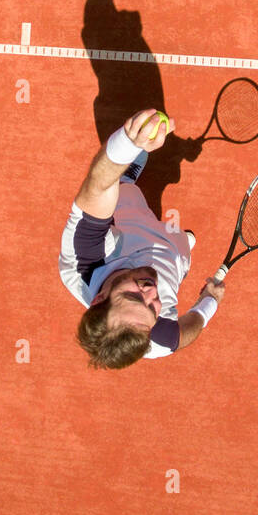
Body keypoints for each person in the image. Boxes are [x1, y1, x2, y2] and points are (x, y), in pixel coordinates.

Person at [59, 108, 225, 368]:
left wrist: (128, 144)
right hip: (175, 257)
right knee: (181, 244)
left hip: (130, 224)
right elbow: (187, 331)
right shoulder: (156, 338)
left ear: (99, 299)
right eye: (152, 309)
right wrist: (210, 302)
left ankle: (126, 175)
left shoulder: (83, 261)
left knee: (121, 190)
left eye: (135, 297)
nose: (150, 292)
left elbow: (98, 186)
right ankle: (182, 243)